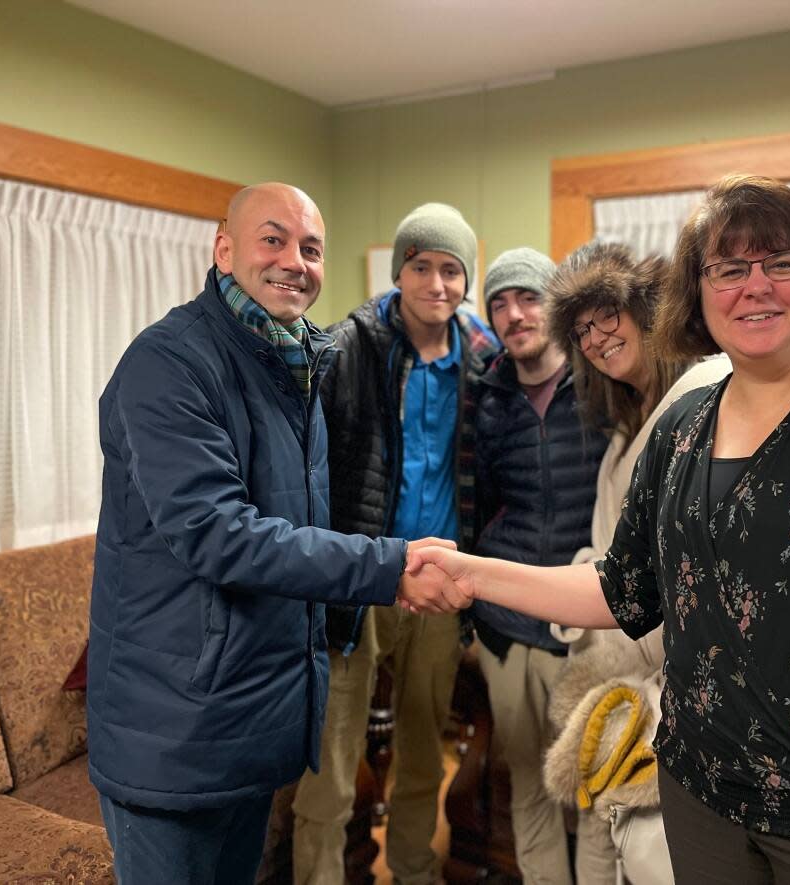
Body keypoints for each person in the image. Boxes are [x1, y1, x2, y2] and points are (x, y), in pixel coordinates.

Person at [410, 175, 790, 885]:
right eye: (728, 268)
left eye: (781, 262)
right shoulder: (682, 428)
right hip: (704, 798)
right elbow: (618, 588)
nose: (756, 286)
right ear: (696, 291)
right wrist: (470, 572)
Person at [88, 183, 463, 885]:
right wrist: (388, 565)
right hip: (175, 734)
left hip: (250, 725)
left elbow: (294, 531)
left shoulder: (294, 365)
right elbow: (218, 532)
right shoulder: (169, 363)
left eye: (311, 248)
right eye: (274, 239)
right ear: (224, 249)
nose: (295, 260)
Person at [292, 202, 499, 885]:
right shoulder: (349, 346)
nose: (435, 283)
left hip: (441, 579)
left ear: (466, 279)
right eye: (421, 266)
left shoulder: (482, 358)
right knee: (331, 764)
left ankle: (414, 869)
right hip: (360, 578)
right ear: (399, 270)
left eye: (450, 269)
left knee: (422, 748)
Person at [537, 241, 731, 882]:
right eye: (582, 330)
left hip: (679, 666)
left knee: (657, 846)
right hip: (621, 650)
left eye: (607, 316)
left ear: (647, 310)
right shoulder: (626, 426)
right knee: (606, 820)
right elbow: (611, 546)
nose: (596, 337)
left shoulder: (703, 396)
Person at [470, 247, 609, 883]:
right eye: (499, 303)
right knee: (527, 786)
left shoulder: (603, 384)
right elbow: (478, 504)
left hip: (586, 622)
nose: (514, 314)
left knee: (593, 791)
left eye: (527, 298)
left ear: (554, 304)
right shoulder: (486, 398)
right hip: (506, 624)